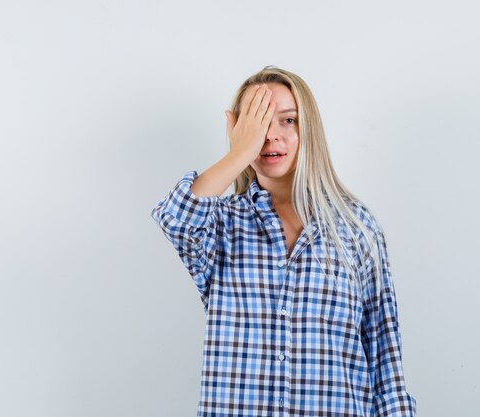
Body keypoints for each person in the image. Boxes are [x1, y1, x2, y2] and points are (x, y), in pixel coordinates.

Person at [150, 66, 417, 416]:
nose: (270, 135)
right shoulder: (222, 223)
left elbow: (385, 360)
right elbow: (175, 218)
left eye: (287, 120)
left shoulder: (356, 227)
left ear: (309, 129)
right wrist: (238, 154)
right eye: (257, 123)